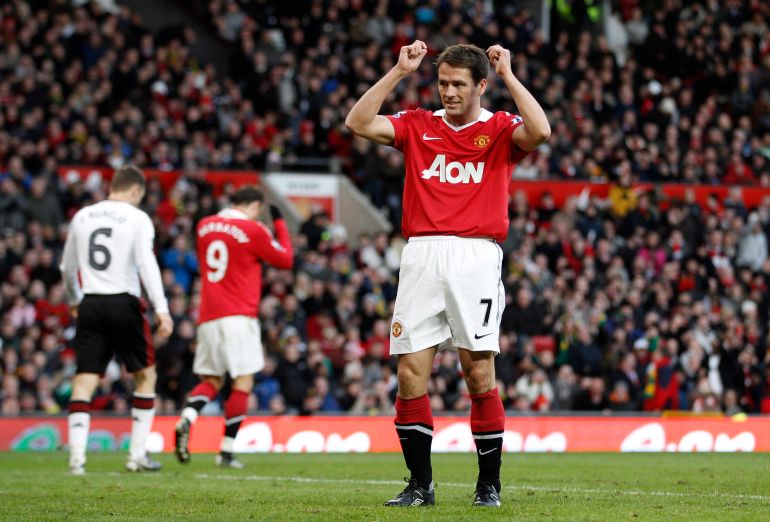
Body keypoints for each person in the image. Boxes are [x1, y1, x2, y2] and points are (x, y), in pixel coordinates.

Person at [345, 41, 550, 507]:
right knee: (409, 374)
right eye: (443, 83)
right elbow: (357, 122)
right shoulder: (418, 124)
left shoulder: (500, 128)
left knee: (478, 373)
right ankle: (421, 486)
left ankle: (488, 485)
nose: (449, 92)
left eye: (459, 84)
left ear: (481, 86)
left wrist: (510, 75)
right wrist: (399, 71)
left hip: (475, 256)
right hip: (421, 254)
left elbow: (541, 131)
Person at [60, 165, 174, 475]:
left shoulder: (83, 216)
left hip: (90, 301)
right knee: (145, 376)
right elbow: (146, 263)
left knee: (84, 379)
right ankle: (136, 456)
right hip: (124, 301)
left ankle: (76, 460)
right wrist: (161, 308)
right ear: (136, 190)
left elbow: (67, 267)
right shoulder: (137, 218)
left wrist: (74, 300)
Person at [174, 186, 293, 468]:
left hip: (208, 317)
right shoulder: (254, 229)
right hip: (239, 316)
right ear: (255, 206)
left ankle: (187, 416)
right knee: (243, 382)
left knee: (211, 381)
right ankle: (226, 452)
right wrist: (278, 224)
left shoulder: (204, 226)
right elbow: (286, 259)